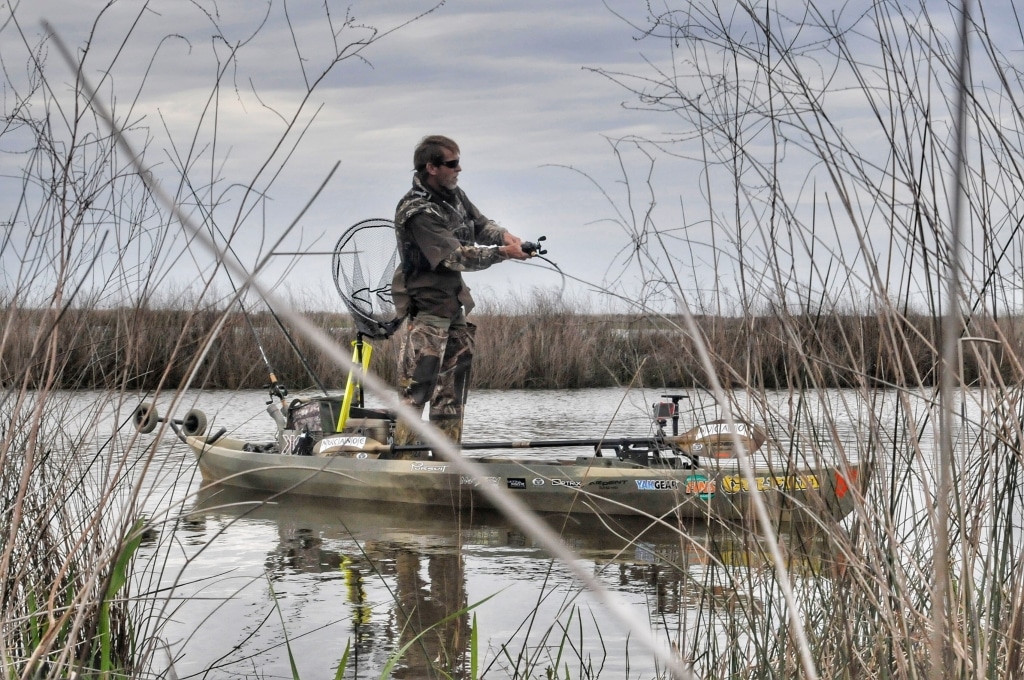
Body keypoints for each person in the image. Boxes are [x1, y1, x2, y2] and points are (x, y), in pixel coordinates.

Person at [392, 135, 529, 447]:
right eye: (452, 164)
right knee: (417, 392)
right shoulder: (417, 211)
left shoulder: (454, 195)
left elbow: (480, 225)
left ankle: (447, 464)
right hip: (426, 310)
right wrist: (505, 254)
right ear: (432, 167)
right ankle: (404, 465)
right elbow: (456, 257)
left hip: (454, 307)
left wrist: (508, 237)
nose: (459, 169)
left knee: (452, 393)